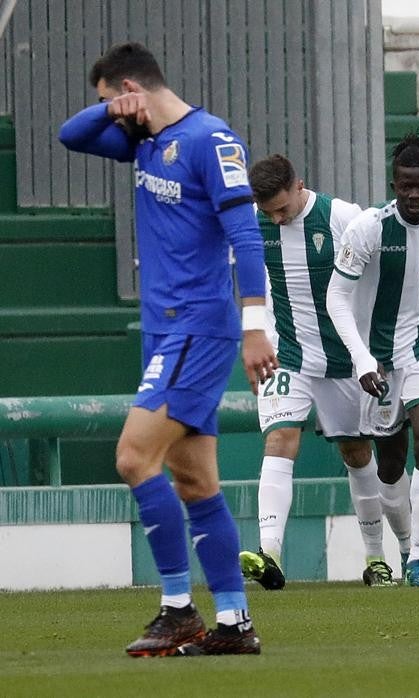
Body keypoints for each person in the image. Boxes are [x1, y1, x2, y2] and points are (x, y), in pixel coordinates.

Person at [59, 42, 273, 656]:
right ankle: (234, 622)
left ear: (131, 85)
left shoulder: (212, 140)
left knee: (132, 457)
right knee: (195, 479)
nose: (107, 113)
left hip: (196, 327)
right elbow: (69, 135)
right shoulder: (142, 139)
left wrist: (254, 325)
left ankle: (178, 607)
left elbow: (246, 236)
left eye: (110, 98)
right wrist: (113, 111)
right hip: (165, 329)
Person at [240, 154, 418, 590]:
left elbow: (377, 279)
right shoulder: (251, 223)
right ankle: (270, 555)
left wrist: (374, 350)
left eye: (283, 208)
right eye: (269, 212)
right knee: (280, 439)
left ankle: (381, 558)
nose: (277, 218)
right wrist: (255, 334)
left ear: (300, 185)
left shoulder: (342, 217)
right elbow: (250, 282)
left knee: (358, 453)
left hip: (346, 361)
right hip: (289, 355)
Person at [325, 134, 419, 588]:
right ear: (394, 184)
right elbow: (336, 297)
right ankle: (405, 546)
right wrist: (363, 359)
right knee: (389, 466)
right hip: (380, 366)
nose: (413, 194)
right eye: (405, 186)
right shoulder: (368, 228)